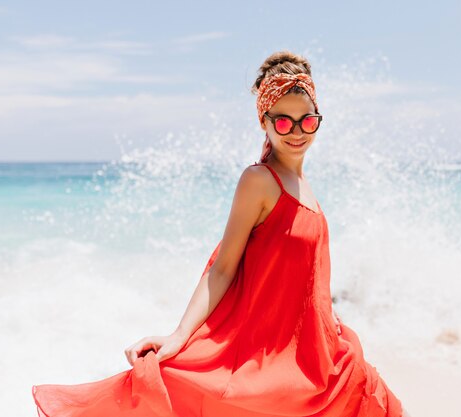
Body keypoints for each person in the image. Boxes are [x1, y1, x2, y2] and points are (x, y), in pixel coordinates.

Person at [32, 50, 409, 417]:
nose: (296, 132)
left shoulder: (302, 182)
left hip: (323, 353)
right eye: (283, 122)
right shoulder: (259, 180)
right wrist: (179, 335)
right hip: (272, 362)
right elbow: (222, 268)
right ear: (264, 121)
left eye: (306, 121)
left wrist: (329, 317)